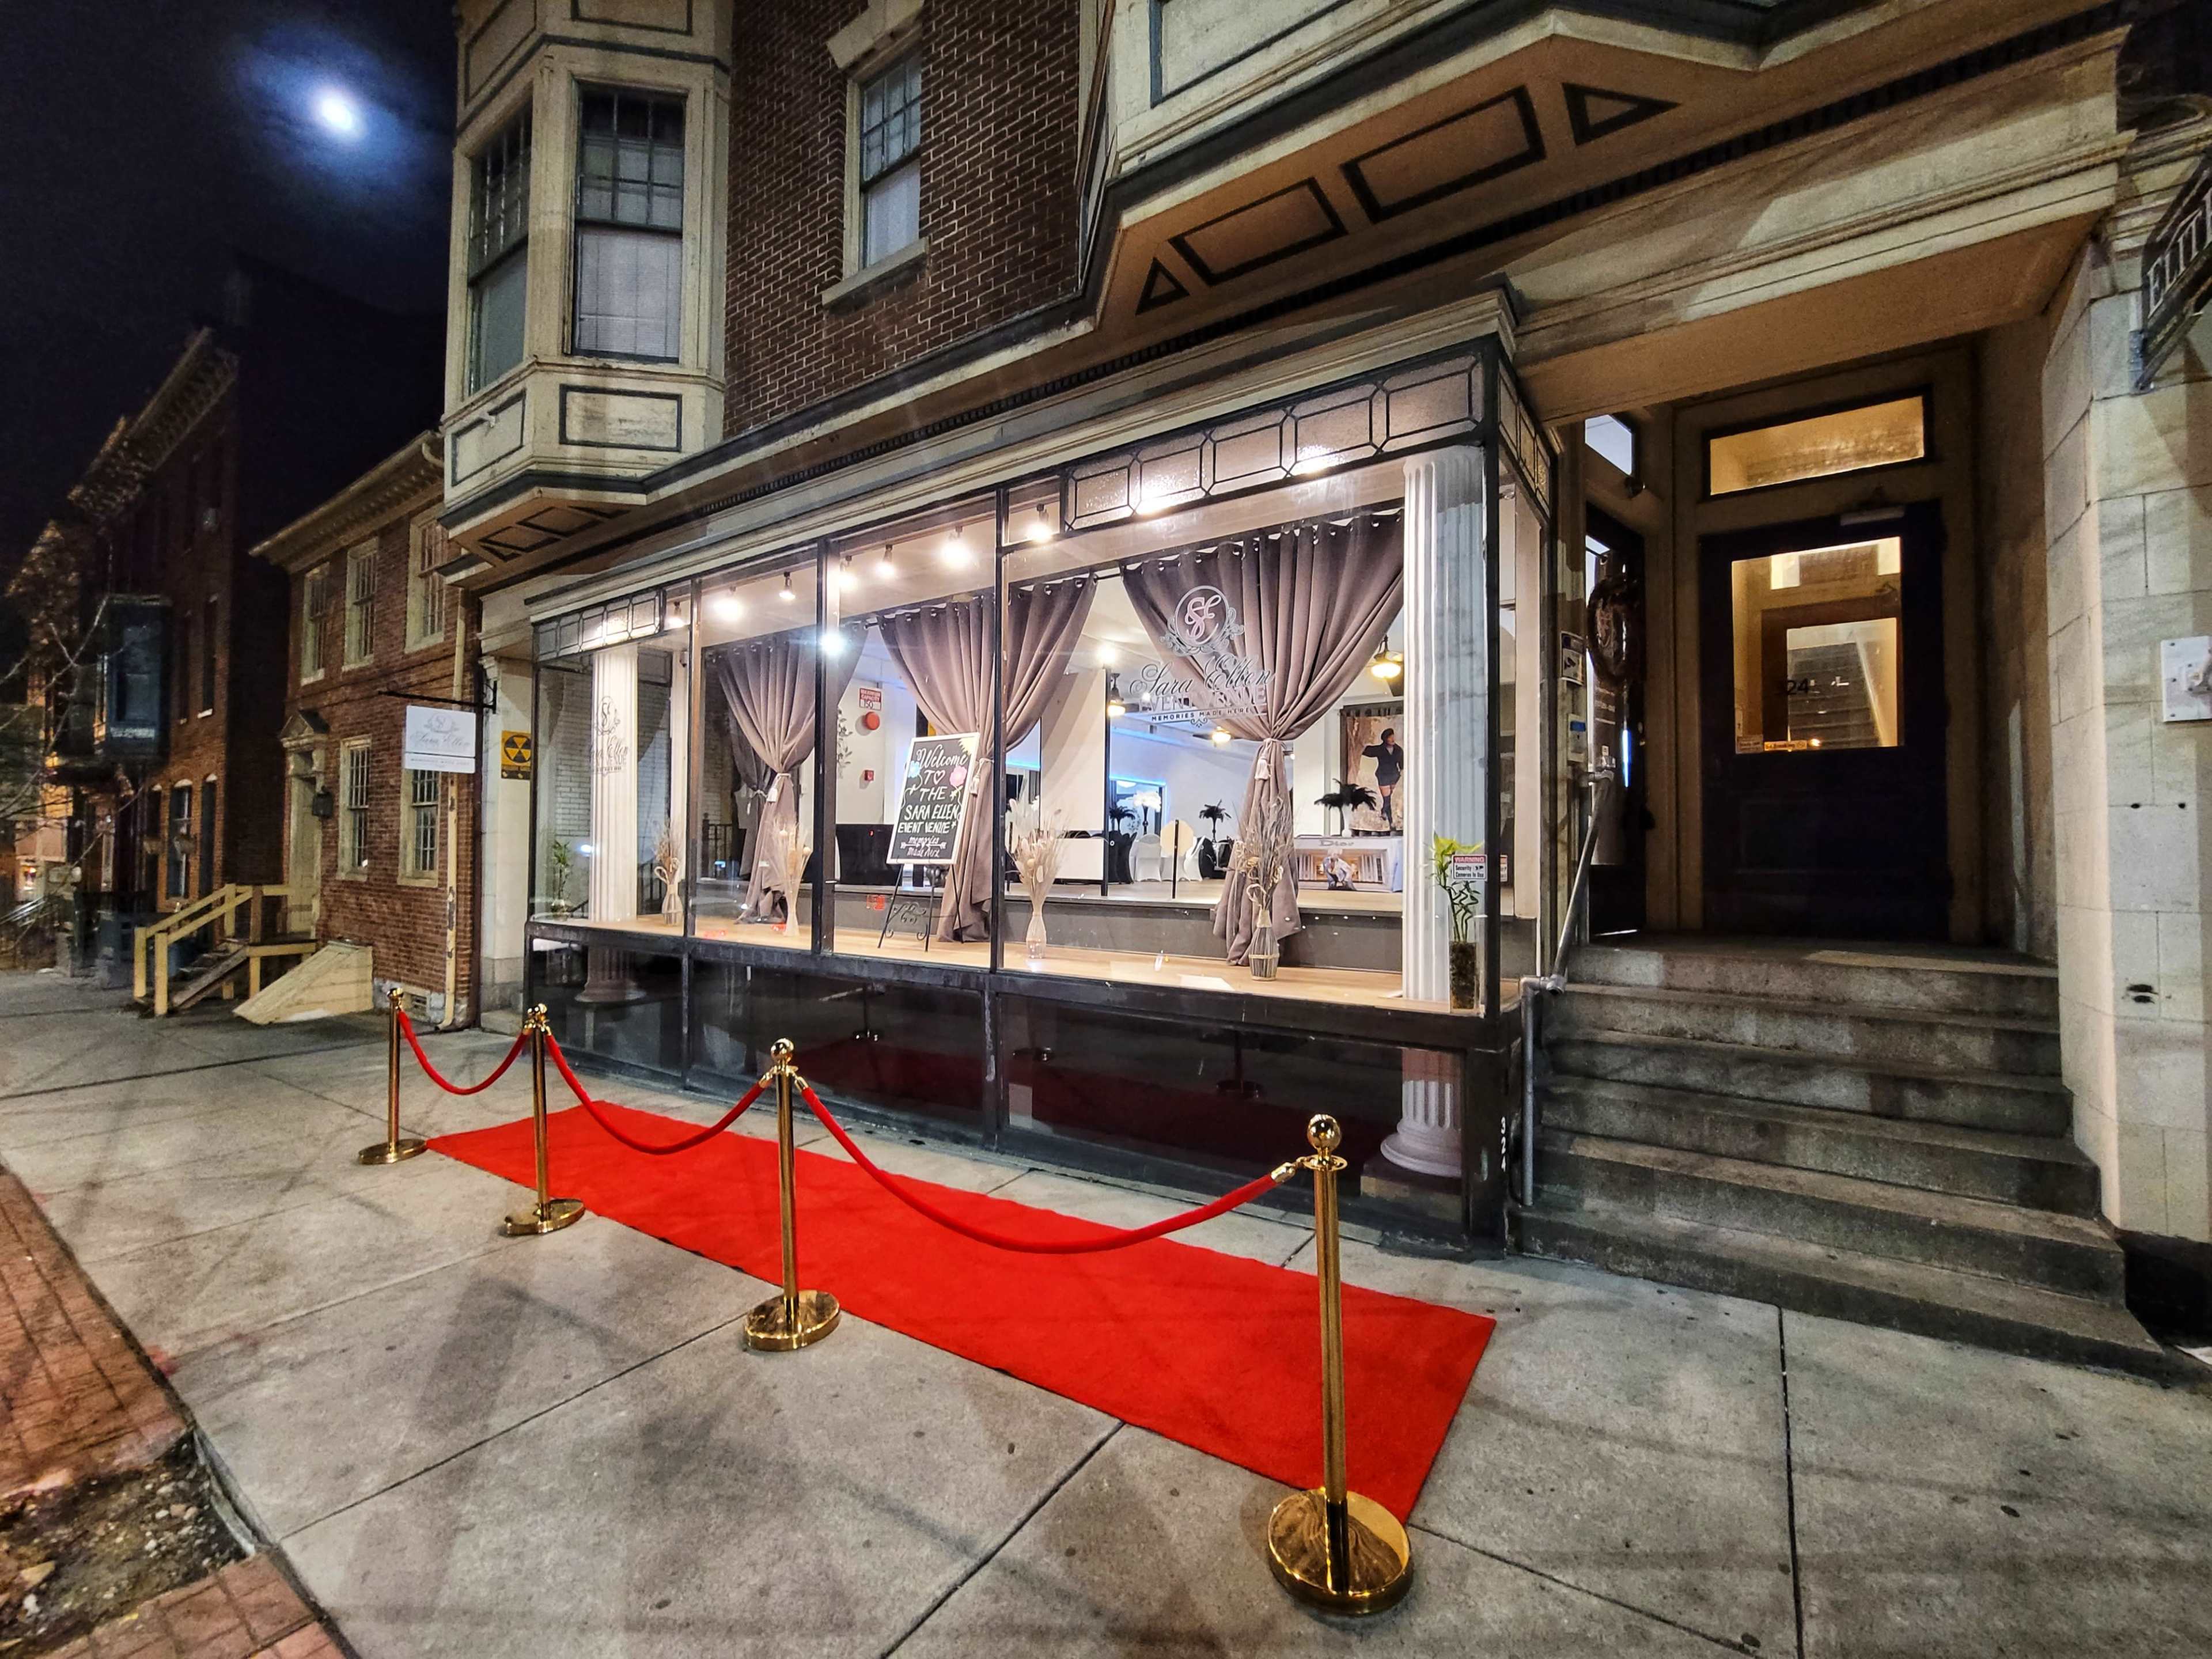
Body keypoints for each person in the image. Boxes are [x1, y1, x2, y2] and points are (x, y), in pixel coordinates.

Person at [1361, 728, 1404, 830]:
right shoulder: (1380, 749)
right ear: (1385, 739)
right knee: (1387, 798)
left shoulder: (1398, 750)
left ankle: (1384, 812)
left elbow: (1402, 764)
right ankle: (1390, 821)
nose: (1392, 739)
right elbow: (1367, 751)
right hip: (1383, 775)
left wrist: (1401, 773)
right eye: (1390, 737)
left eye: (1393, 736)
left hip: (1394, 776)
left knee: (1389, 798)